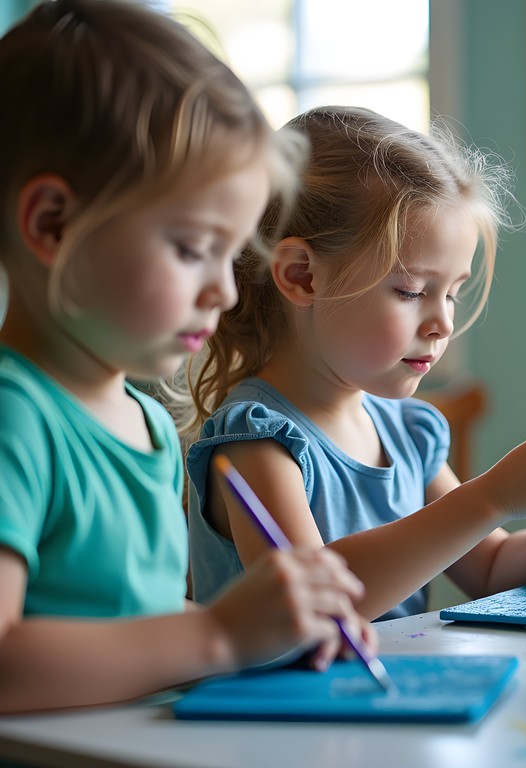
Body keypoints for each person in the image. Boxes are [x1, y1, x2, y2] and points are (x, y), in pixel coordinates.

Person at [0, 0, 374, 715]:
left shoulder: (144, 418)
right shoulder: (14, 418)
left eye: (233, 256)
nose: (225, 292)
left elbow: (137, 639)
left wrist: (277, 628)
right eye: (193, 249)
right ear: (53, 225)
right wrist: (219, 635)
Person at [185, 106, 526, 621]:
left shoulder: (409, 434)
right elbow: (312, 608)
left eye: (451, 294)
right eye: (411, 291)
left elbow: (496, 573)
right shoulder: (255, 443)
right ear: (301, 277)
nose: (443, 323)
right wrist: (489, 497)